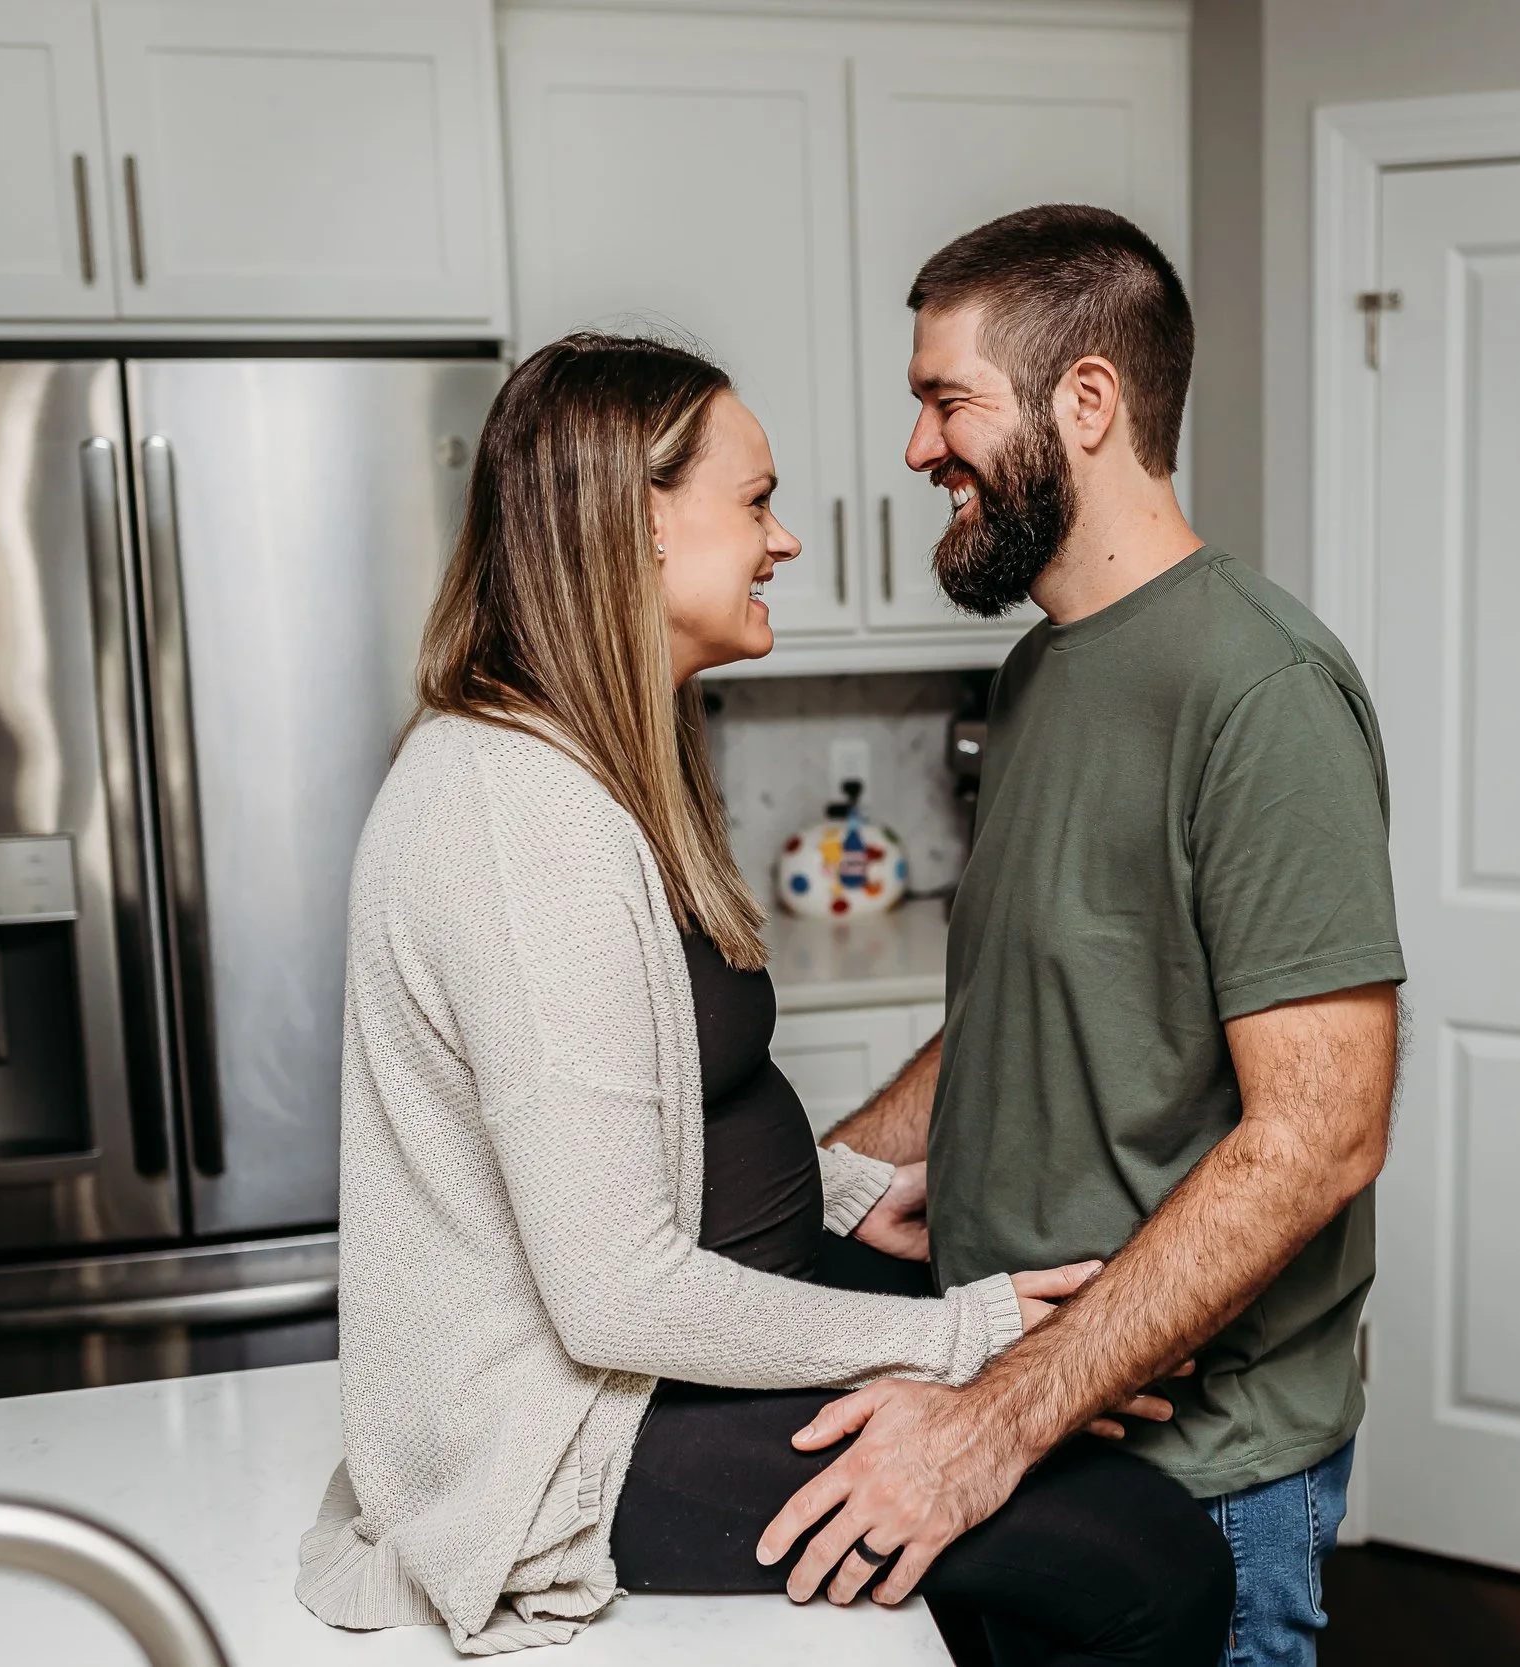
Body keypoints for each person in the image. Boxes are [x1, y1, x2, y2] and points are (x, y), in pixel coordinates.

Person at [295, 331, 1233, 1663]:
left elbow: (655, 1099)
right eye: (755, 501)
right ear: (634, 525)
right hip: (577, 1427)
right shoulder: (514, 818)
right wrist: (961, 1341)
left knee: (1058, 1385)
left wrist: (848, 1197)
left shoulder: (602, 758)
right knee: (1149, 1563)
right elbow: (615, 1293)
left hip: (670, 1335)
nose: (784, 540)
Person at [766, 207, 1403, 1667]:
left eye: (946, 400)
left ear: (1088, 402)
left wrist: (991, 1425)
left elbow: (1321, 1133)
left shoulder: (1262, 688)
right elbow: (1039, 990)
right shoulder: (1048, 667)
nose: (919, 447)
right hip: (1026, 1411)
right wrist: (840, 1174)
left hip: (1192, 1475)